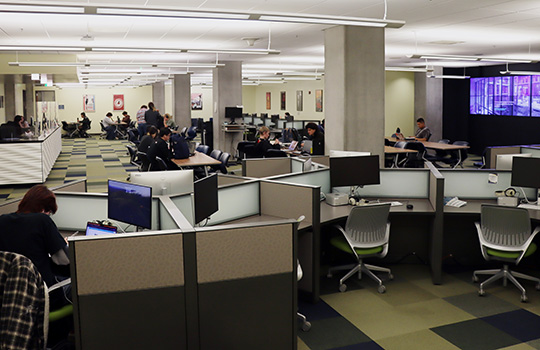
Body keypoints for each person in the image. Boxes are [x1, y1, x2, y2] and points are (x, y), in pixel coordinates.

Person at [0, 185, 71, 346]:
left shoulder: (2, 220)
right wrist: (63, 245)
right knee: (76, 287)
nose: (49, 216)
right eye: (49, 212)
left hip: (10, 295)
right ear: (42, 209)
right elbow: (63, 261)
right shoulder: (42, 220)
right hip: (42, 294)